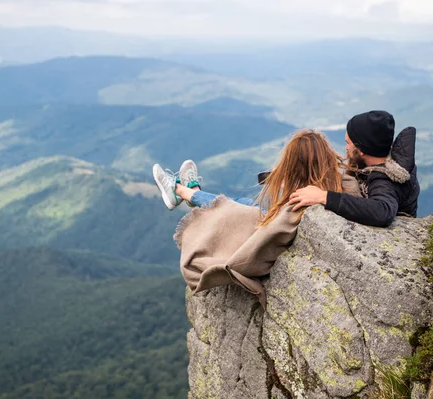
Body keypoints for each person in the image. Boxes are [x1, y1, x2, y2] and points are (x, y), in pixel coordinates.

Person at [152, 129, 360, 307]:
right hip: (276, 218)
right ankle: (190, 191)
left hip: (263, 230)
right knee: (242, 202)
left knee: (232, 207)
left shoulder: (300, 203)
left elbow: (267, 233)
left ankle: (180, 191)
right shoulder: (343, 185)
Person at [288, 111, 419, 227]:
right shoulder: (377, 162)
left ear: (361, 150)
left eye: (348, 143)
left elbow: (382, 211)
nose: (346, 148)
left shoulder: (387, 180)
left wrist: (324, 197)